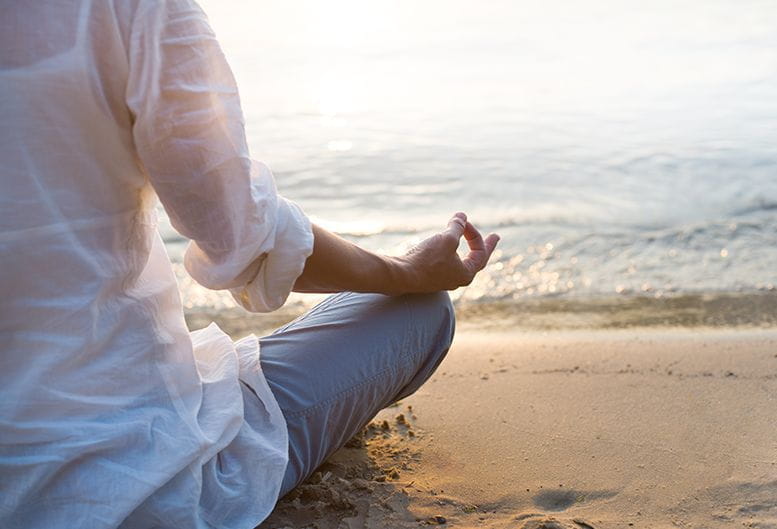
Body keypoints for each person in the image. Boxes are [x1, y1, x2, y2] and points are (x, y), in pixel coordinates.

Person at [0, 1, 499, 528]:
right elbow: (242, 238)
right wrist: (407, 271)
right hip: (121, 480)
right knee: (420, 314)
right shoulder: (131, 11)